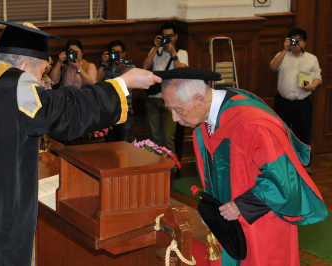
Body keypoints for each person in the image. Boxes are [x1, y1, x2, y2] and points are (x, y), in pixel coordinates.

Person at [0, 20, 161, 266]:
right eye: (41, 74)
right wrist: (123, 83)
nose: (41, 83)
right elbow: (67, 109)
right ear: (23, 66)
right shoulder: (13, 88)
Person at [159, 67, 328, 265]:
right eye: (169, 109)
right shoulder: (207, 117)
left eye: (177, 110)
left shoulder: (251, 124)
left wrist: (243, 205)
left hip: (261, 223)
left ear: (198, 99)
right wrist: (212, 211)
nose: (174, 119)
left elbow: (284, 180)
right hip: (228, 224)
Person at [271, 28, 321, 175]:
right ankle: (281, 163)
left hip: (302, 103)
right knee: (280, 133)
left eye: (298, 40)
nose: (295, 43)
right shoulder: (282, 56)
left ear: (304, 43)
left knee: (303, 134)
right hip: (282, 102)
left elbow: (318, 76)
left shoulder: (311, 59)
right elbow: (273, 67)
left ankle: (305, 164)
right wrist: (284, 50)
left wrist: (313, 86)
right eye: (292, 39)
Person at [143, 22, 188, 152]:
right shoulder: (155, 51)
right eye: (164, 36)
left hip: (172, 100)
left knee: (168, 138)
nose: (168, 39)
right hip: (153, 99)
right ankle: (156, 170)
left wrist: (173, 53)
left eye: (170, 36)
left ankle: (170, 170)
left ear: (176, 37)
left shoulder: (182, 53)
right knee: (154, 138)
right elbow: (145, 67)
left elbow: (181, 71)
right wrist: (155, 48)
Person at [98, 40, 136, 142]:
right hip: (110, 111)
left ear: (124, 53)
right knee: (110, 144)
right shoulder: (107, 66)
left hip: (125, 111)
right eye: (113, 52)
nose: (115, 55)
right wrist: (102, 64)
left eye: (118, 52)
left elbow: (131, 87)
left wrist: (123, 71)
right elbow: (96, 81)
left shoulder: (131, 68)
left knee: (124, 145)